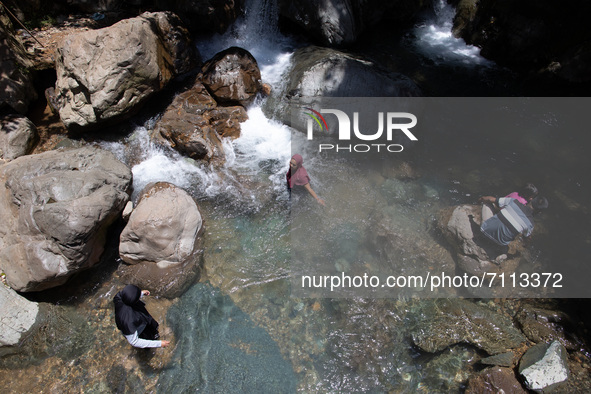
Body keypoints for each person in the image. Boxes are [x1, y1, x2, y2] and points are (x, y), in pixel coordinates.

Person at [476, 194, 548, 257]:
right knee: (508, 244)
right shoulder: (530, 224)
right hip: (499, 243)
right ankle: (498, 256)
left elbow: (490, 199)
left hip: (484, 231)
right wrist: (526, 246)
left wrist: (480, 200)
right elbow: (526, 238)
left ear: (531, 200)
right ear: (539, 212)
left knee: (487, 203)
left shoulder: (513, 201)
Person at [113, 284, 170, 348]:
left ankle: (156, 333)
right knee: (150, 337)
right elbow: (134, 341)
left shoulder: (119, 297)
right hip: (140, 330)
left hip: (140, 317)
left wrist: (141, 293)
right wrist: (159, 344)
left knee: (153, 326)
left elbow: (129, 294)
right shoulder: (127, 321)